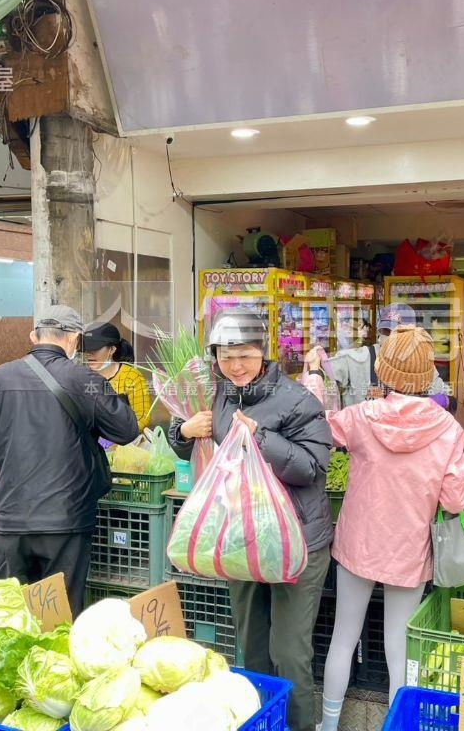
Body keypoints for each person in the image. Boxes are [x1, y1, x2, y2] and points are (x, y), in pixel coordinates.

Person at [167, 308, 332, 731]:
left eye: (245, 354)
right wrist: (184, 431)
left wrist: (260, 437)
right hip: (239, 538)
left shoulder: (299, 400)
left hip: (296, 540)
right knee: (251, 645)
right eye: (226, 356)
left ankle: (297, 725)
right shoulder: (216, 393)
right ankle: (261, 720)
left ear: (263, 352)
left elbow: (312, 467)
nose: (236, 365)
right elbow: (189, 445)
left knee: (289, 650)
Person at [307, 326, 464, 728]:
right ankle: (397, 724)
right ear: (428, 374)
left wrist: (314, 378)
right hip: (410, 550)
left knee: (343, 637)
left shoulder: (362, 417)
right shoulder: (448, 430)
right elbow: (454, 500)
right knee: (400, 643)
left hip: (358, 545)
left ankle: (328, 724)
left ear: (383, 371)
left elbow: (317, 426)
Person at [0, 306, 139, 615]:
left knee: (4, 614)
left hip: (8, 518)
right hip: (64, 518)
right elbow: (127, 430)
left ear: (33, 335)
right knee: (58, 616)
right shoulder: (84, 378)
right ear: (75, 339)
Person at [325, 303, 450, 408]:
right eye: (385, 331)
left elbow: (443, 396)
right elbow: (322, 373)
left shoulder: (420, 363)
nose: (390, 336)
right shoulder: (355, 359)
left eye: (397, 332)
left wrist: (432, 402)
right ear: (379, 331)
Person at [81, 322, 152, 430]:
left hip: (123, 442)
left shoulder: (132, 377)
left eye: (95, 348)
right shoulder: (81, 376)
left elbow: (143, 417)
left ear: (112, 350)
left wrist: (119, 439)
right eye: (87, 348)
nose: (89, 354)